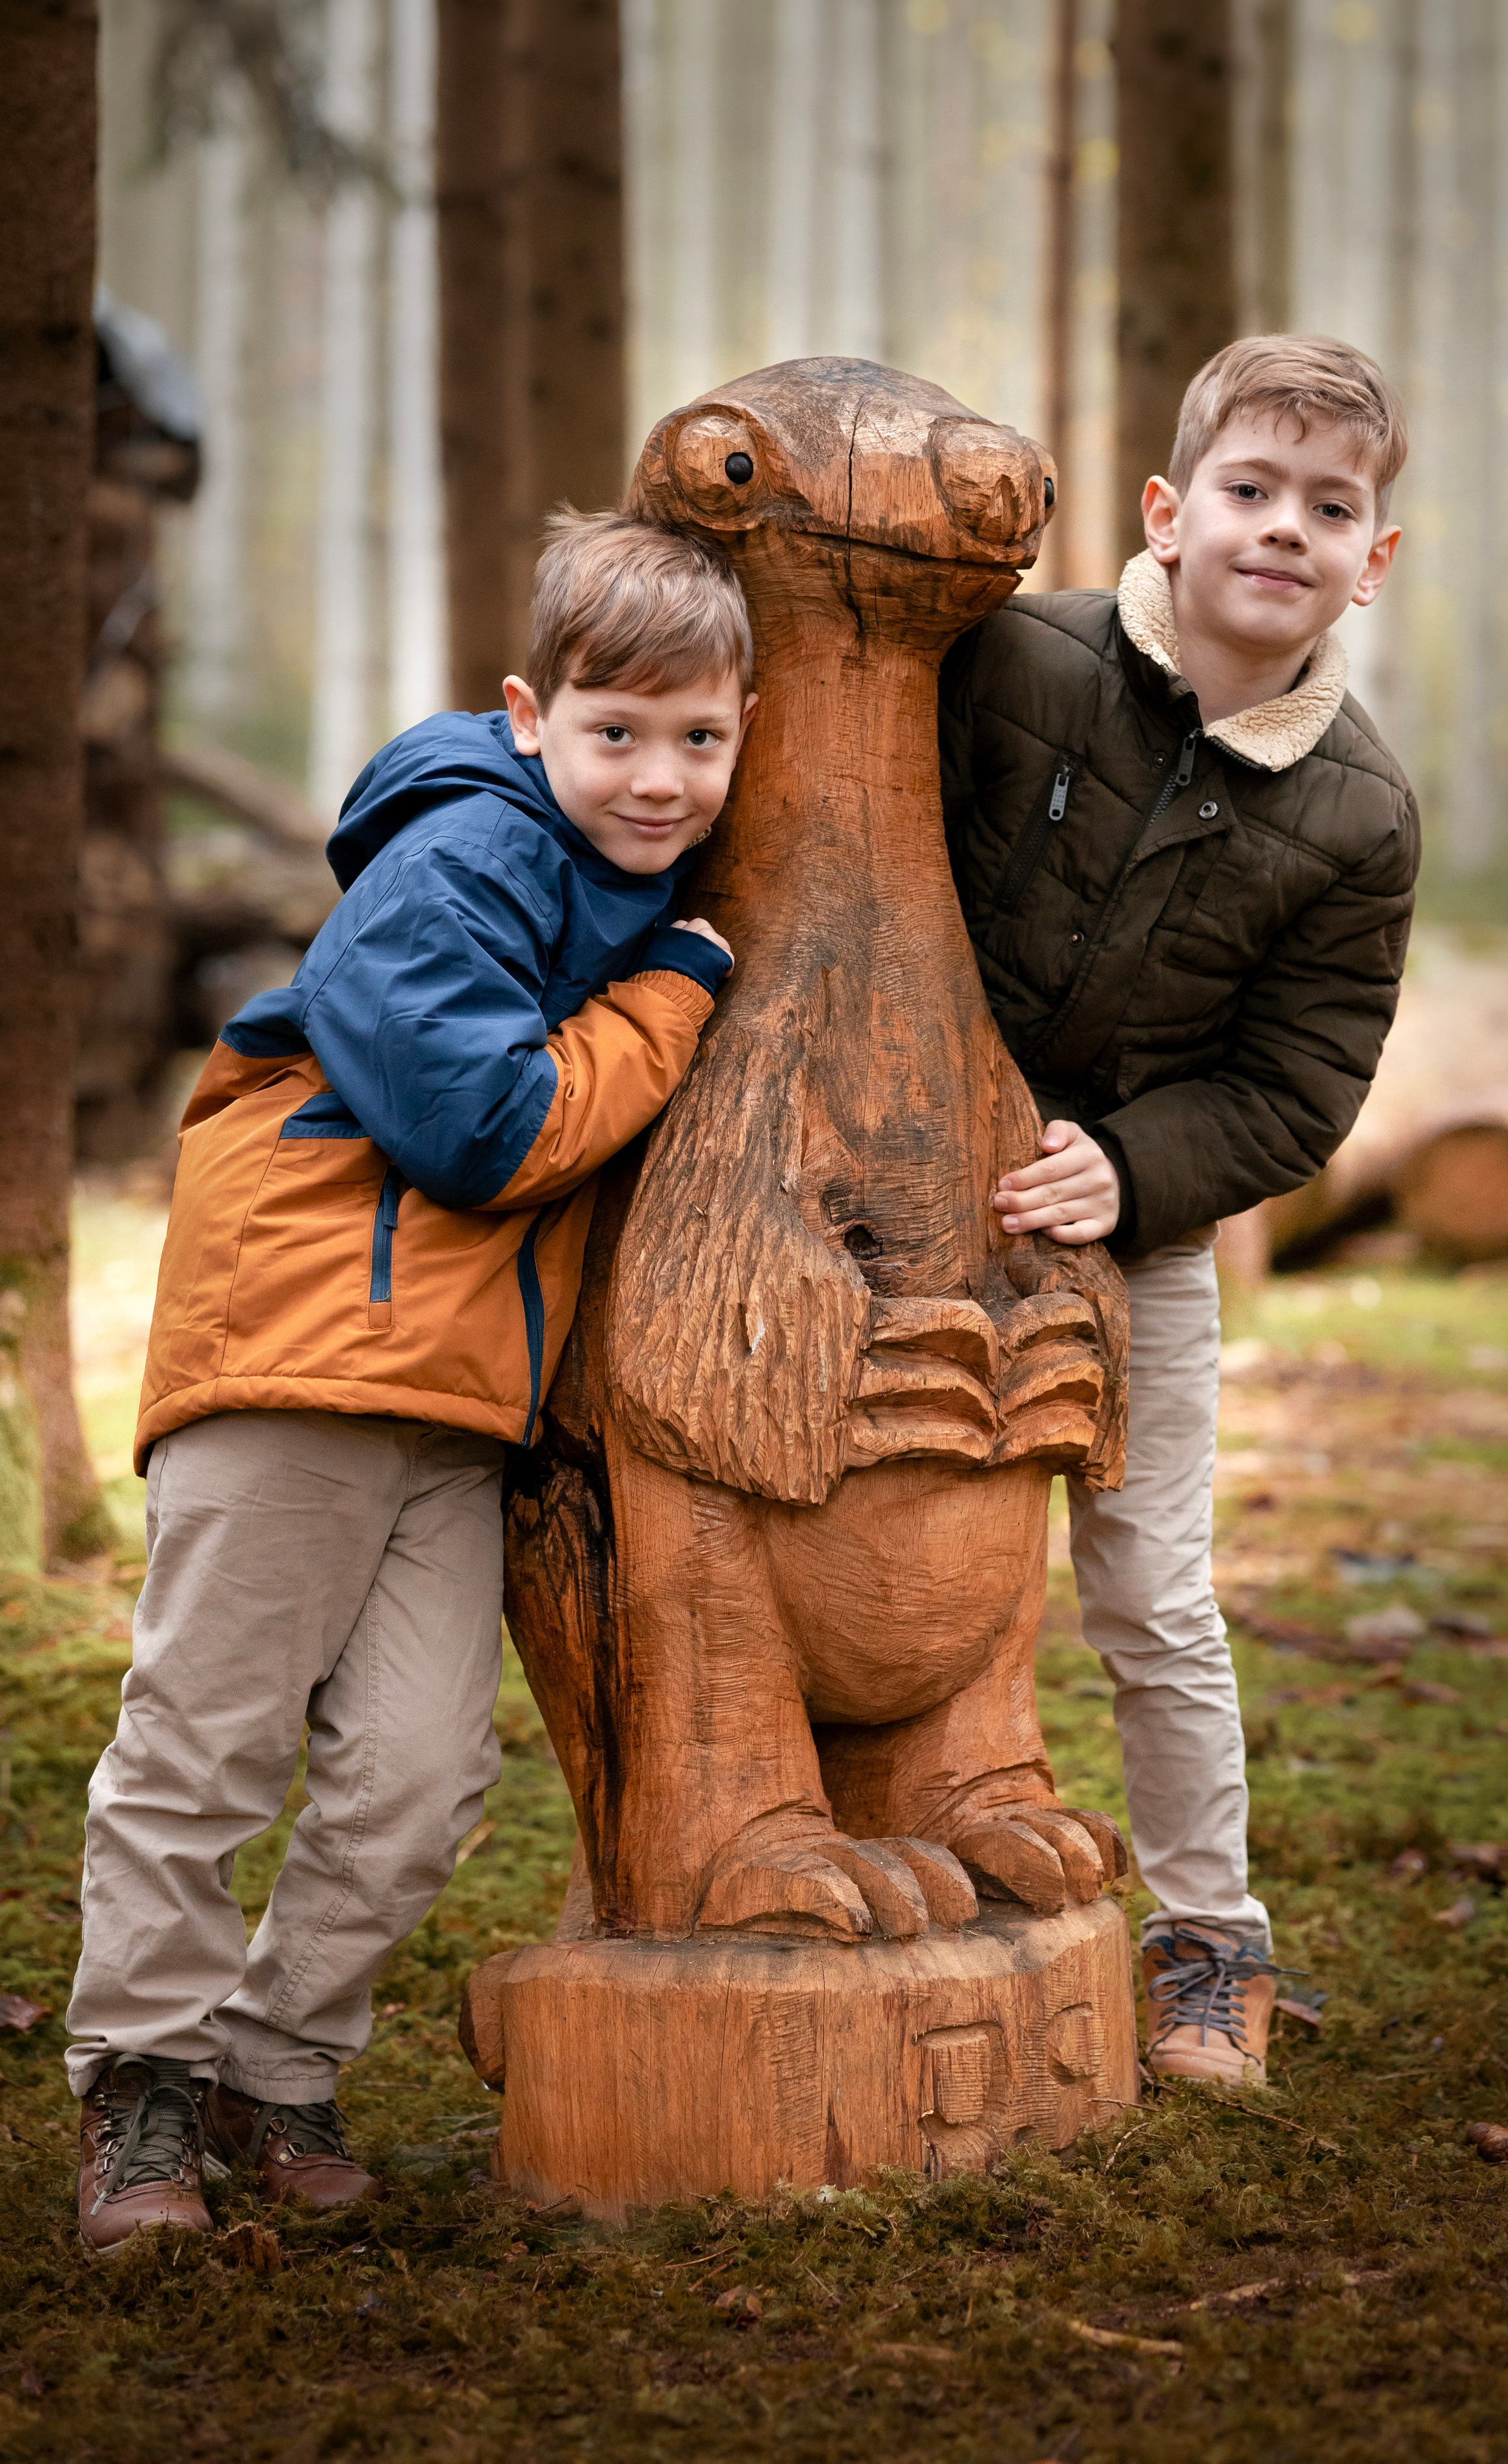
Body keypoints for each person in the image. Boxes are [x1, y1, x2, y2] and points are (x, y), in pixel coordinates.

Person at [66, 511, 757, 2250]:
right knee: (207, 1744)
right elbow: (486, 1131)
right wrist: (673, 995)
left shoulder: (634, 880)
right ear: (530, 715)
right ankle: (141, 2090)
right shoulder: (459, 858)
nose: (660, 777)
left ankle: (272, 2065)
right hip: (302, 1358)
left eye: (700, 737)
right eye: (617, 731)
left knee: (416, 1780)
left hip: (455, 1406)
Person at [939, 334, 1417, 2086]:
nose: (1284, 528)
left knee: (1151, 1594)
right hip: (897, 1198)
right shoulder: (1014, 661)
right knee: (893, 1553)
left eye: (1330, 508)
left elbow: (1299, 1085)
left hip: (1133, 1239)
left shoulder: (1361, 815)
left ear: (1374, 558)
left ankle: (1212, 1947)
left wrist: (1135, 1168)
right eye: (1251, 488)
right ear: (1167, 509)